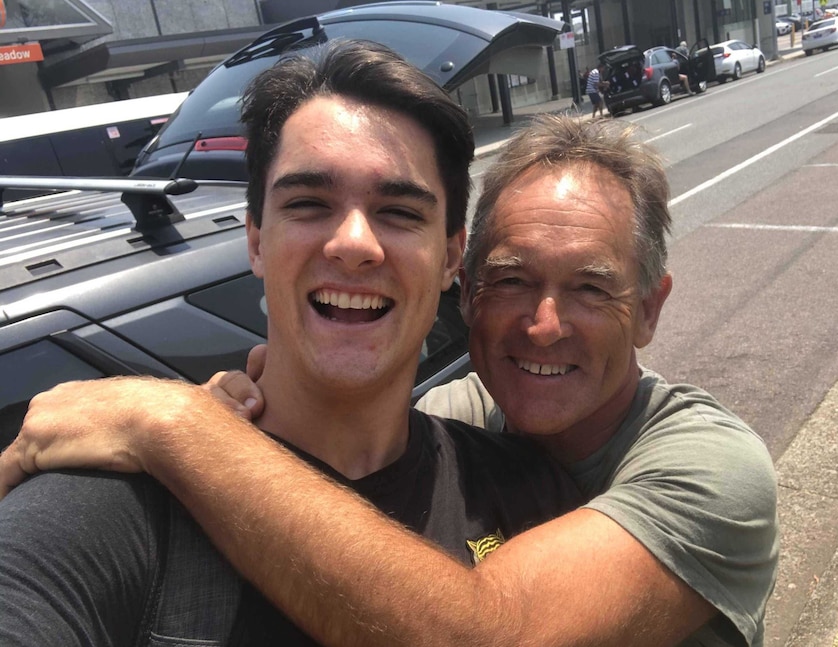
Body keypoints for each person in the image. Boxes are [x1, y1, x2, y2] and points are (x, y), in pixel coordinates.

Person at [1, 117, 780, 645]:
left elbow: (490, 631)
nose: (544, 326)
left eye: (590, 288)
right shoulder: (453, 418)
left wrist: (170, 425)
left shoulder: (712, 470)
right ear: (465, 287)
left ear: (648, 310)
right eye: (511, 280)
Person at [0, 40, 585, 646]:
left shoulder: (528, 492)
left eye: (400, 212)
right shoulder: (101, 517)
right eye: (309, 203)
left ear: (452, 256)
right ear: (256, 241)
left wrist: (169, 420)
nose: (354, 242)